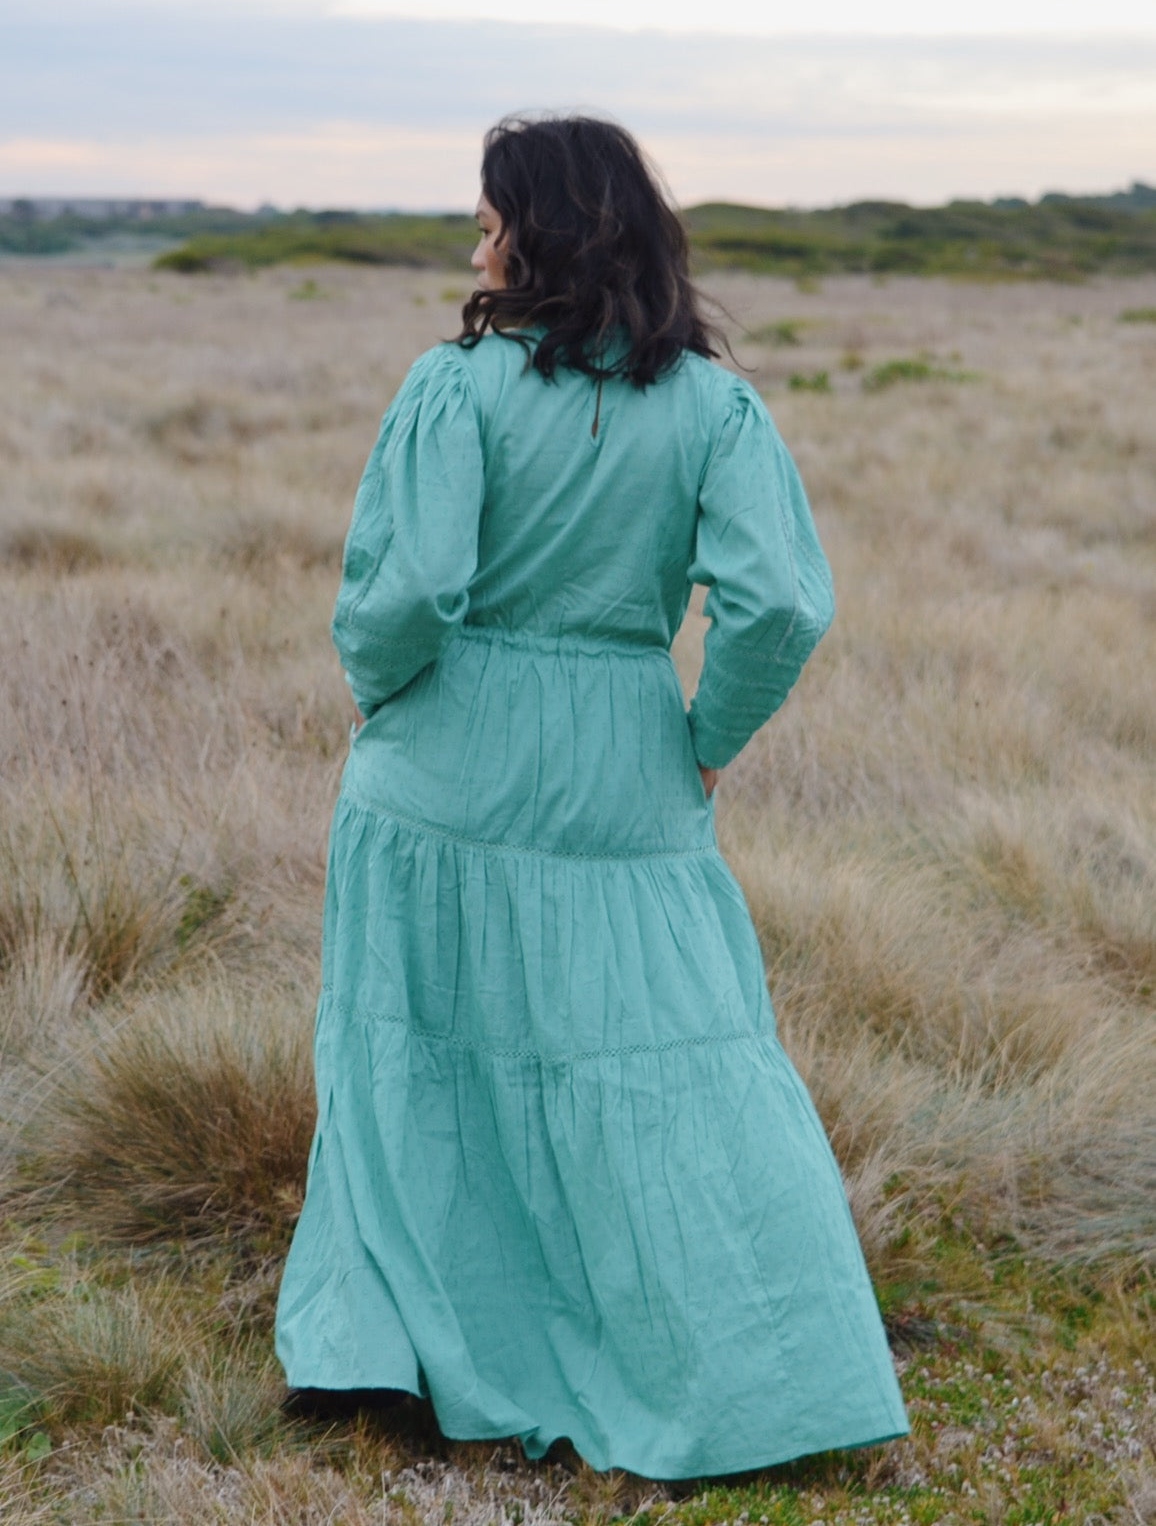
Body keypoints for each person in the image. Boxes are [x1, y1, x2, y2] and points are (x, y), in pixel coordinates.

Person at [274, 113, 910, 1480]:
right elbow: (781, 601)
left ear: (537, 231)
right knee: (676, 1066)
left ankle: (410, 1349)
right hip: (629, 754)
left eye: (490, 217)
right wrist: (707, 733)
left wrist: (381, 693)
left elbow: (408, 590)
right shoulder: (713, 406)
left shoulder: (455, 389)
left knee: (426, 1055)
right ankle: (756, 1364)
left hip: (445, 760)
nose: (477, 243)